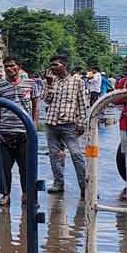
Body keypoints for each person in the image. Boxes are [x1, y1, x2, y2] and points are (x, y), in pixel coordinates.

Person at [0, 56, 39, 207]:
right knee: (4, 169)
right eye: (6, 66)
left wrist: (34, 128)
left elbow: (36, 107)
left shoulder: (31, 85)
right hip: (5, 133)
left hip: (25, 133)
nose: (9, 69)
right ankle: (5, 195)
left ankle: (26, 194)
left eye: (12, 66)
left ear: (19, 67)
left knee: (26, 167)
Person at [43, 55, 90, 196]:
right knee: (54, 155)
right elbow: (47, 100)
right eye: (51, 65)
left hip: (69, 124)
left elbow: (82, 103)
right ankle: (58, 183)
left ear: (64, 65)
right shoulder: (50, 82)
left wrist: (81, 123)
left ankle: (84, 186)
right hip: (52, 123)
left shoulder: (77, 81)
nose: (52, 68)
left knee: (76, 154)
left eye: (55, 65)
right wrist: (50, 85)